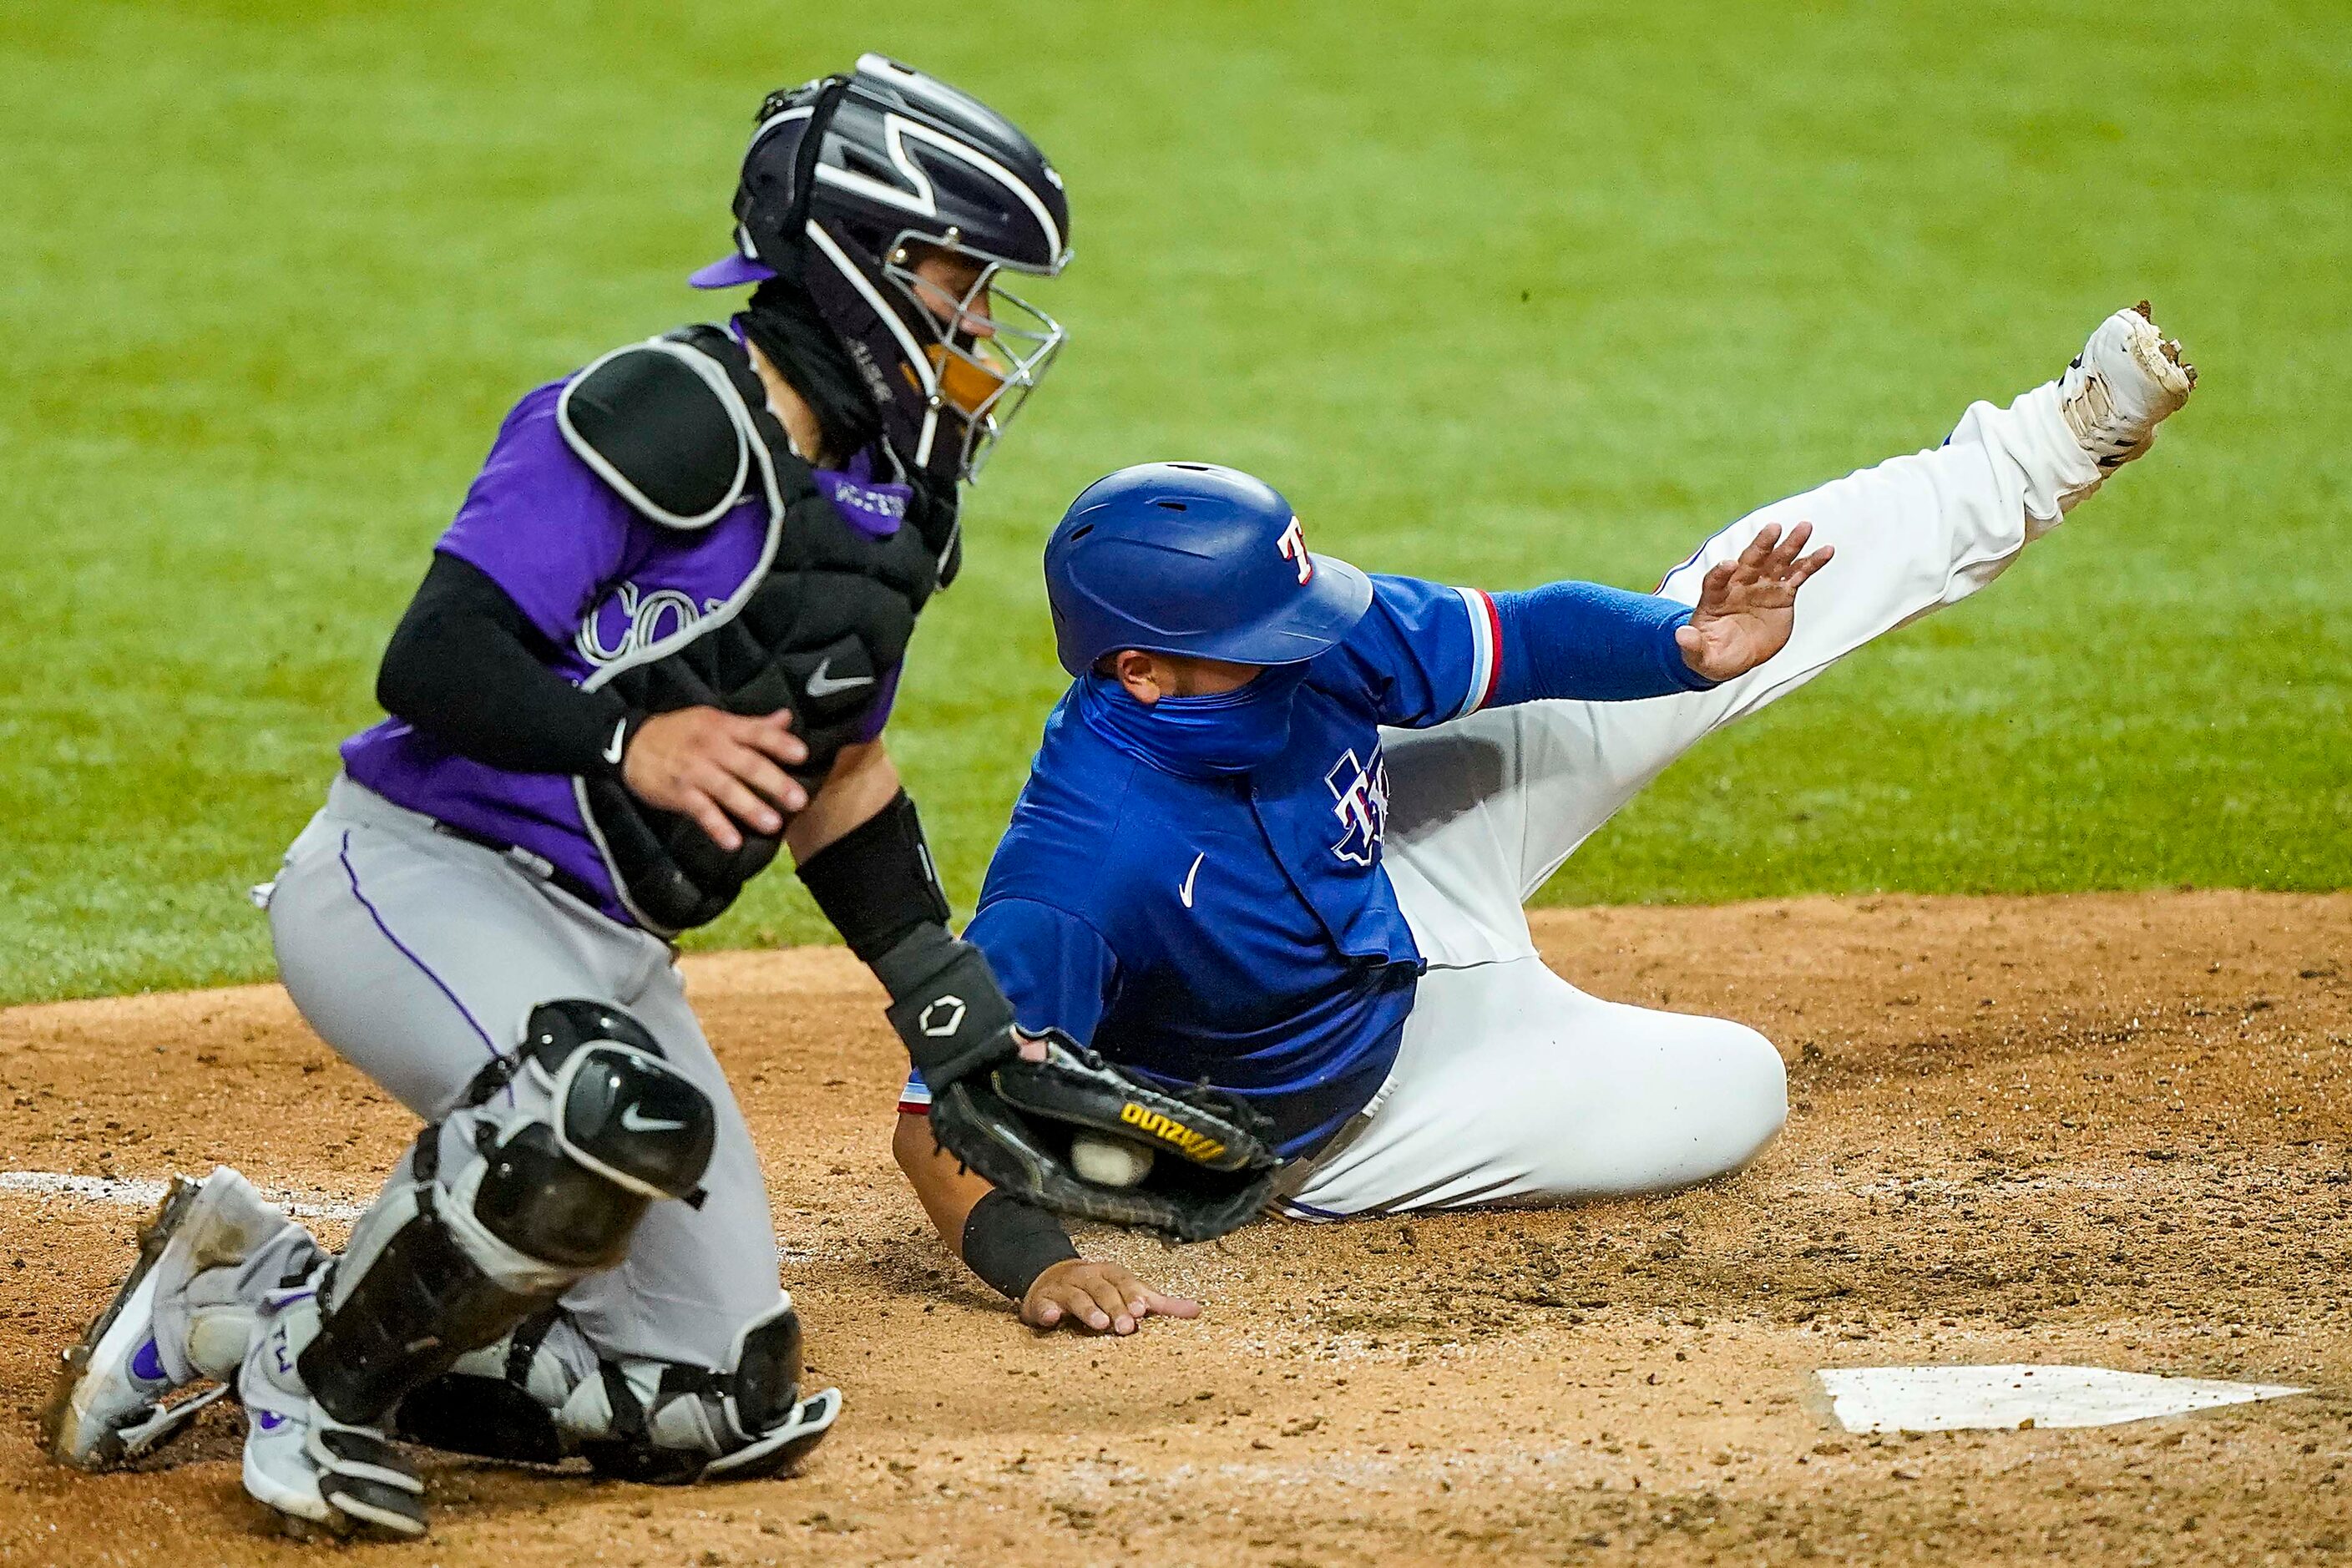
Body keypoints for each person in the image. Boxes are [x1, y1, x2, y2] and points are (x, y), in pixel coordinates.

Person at [43, 55, 1078, 1538]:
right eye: (955, 275)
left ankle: (236, 1296)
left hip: (604, 956)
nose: (977, 323)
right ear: (856, 249)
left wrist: (947, 1000)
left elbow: (836, 776)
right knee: (596, 1112)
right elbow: (434, 655)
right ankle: (308, 1383)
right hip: (416, 883)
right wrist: (624, 746)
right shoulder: (665, 412)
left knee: (716, 1395)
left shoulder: (885, 508)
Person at [891, 304, 2196, 1336]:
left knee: (1702, 626)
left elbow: (1523, 636)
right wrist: (1035, 1261)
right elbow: (934, 1118)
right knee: (1740, 1085)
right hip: (1370, 1115)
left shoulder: (1304, 631)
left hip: (1409, 874)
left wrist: (1684, 645)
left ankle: (2048, 443)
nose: (1306, 649)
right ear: (1139, 669)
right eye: (1261, 642)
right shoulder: (1079, 870)